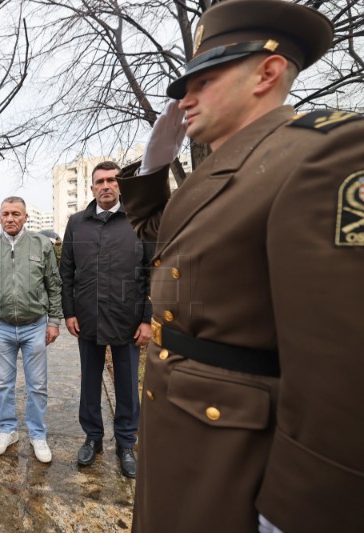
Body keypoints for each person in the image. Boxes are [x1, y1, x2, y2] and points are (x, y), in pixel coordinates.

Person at [116, 1, 363, 531]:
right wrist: (154, 164)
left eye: (202, 80)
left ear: (267, 73)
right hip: (185, 422)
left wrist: (299, 508)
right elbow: (161, 231)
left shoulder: (327, 152)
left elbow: (343, 364)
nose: (185, 98)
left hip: (235, 447)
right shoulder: (234, 162)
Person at [59, 160, 153, 478]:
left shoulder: (138, 221)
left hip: (129, 320)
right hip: (88, 318)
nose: (106, 186)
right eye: (99, 181)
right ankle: (93, 438)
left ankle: (126, 443)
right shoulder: (76, 224)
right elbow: (67, 272)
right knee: (89, 382)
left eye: (111, 180)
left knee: (127, 385)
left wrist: (147, 319)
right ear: (92, 188)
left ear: (120, 186)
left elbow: (152, 273)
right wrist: (69, 312)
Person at [0, 196, 63, 463]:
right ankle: (8, 430)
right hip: (0, 326)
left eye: (16, 213)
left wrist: (54, 321)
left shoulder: (41, 244)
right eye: (5, 214)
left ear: (25, 217)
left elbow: (53, 284)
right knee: (3, 384)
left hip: (34, 326)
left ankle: (37, 434)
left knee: (37, 385)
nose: (10, 218)